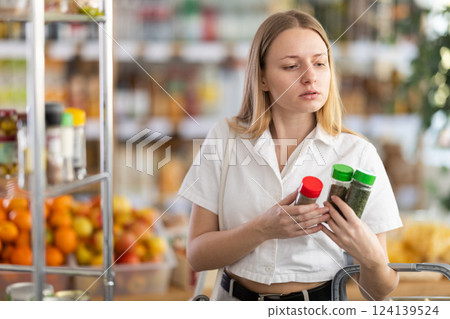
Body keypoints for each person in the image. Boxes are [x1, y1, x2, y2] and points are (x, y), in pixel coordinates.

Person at [178, 10, 402, 301]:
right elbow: (197, 256)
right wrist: (263, 229)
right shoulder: (226, 138)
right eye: (291, 66)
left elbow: (378, 291)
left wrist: (371, 259)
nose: (311, 77)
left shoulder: (357, 153)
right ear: (262, 79)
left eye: (320, 63)